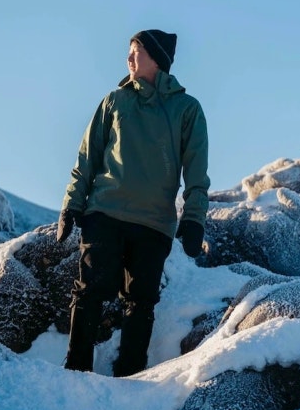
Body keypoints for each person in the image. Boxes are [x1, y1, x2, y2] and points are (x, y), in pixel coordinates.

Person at [56, 29, 210, 375]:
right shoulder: (115, 101)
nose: (128, 59)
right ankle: (75, 371)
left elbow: (197, 174)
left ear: (157, 59)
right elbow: (87, 159)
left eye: (135, 52)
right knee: (90, 291)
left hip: (154, 224)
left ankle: (131, 377)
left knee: (140, 303)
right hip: (105, 213)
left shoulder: (187, 109)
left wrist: (193, 220)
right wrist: (72, 205)